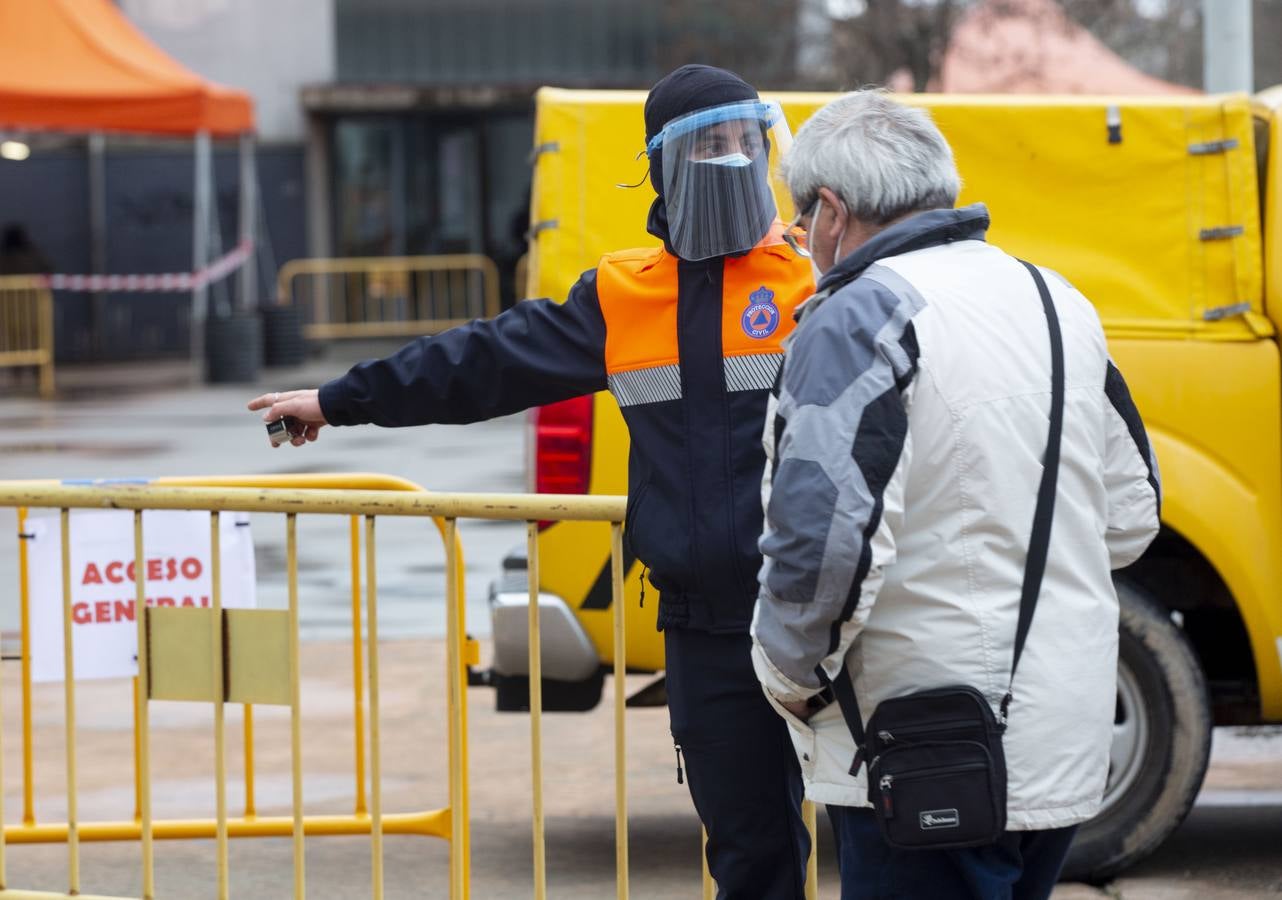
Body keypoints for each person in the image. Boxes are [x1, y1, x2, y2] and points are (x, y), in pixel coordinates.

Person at [249, 65, 815, 898]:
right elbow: (483, 363)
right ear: (664, 169)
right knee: (750, 856)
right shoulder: (625, 297)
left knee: (881, 846)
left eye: (744, 142)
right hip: (707, 633)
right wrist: (338, 400)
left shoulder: (814, 279)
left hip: (822, 617)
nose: (734, 161)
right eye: (710, 147)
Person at [751, 90, 1161, 899]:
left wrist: (785, 677)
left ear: (832, 210)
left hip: (922, 746)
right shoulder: (1054, 299)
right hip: (1062, 735)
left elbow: (820, 548)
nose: (805, 242)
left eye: (801, 224)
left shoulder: (858, 315)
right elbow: (1130, 512)